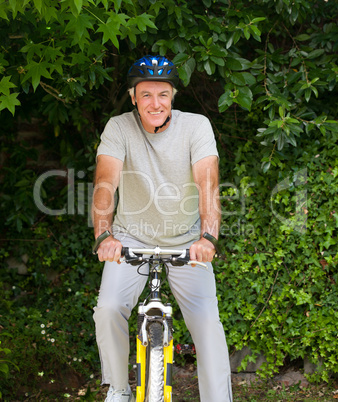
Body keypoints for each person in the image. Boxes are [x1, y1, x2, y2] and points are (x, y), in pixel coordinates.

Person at [92, 55, 233, 402]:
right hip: (130, 237)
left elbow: (208, 184)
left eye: (163, 95)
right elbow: (105, 183)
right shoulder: (119, 127)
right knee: (108, 308)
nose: (155, 103)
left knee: (208, 327)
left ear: (172, 97)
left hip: (187, 240)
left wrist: (208, 237)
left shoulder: (196, 127)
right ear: (133, 97)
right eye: (146, 95)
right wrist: (104, 235)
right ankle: (119, 389)